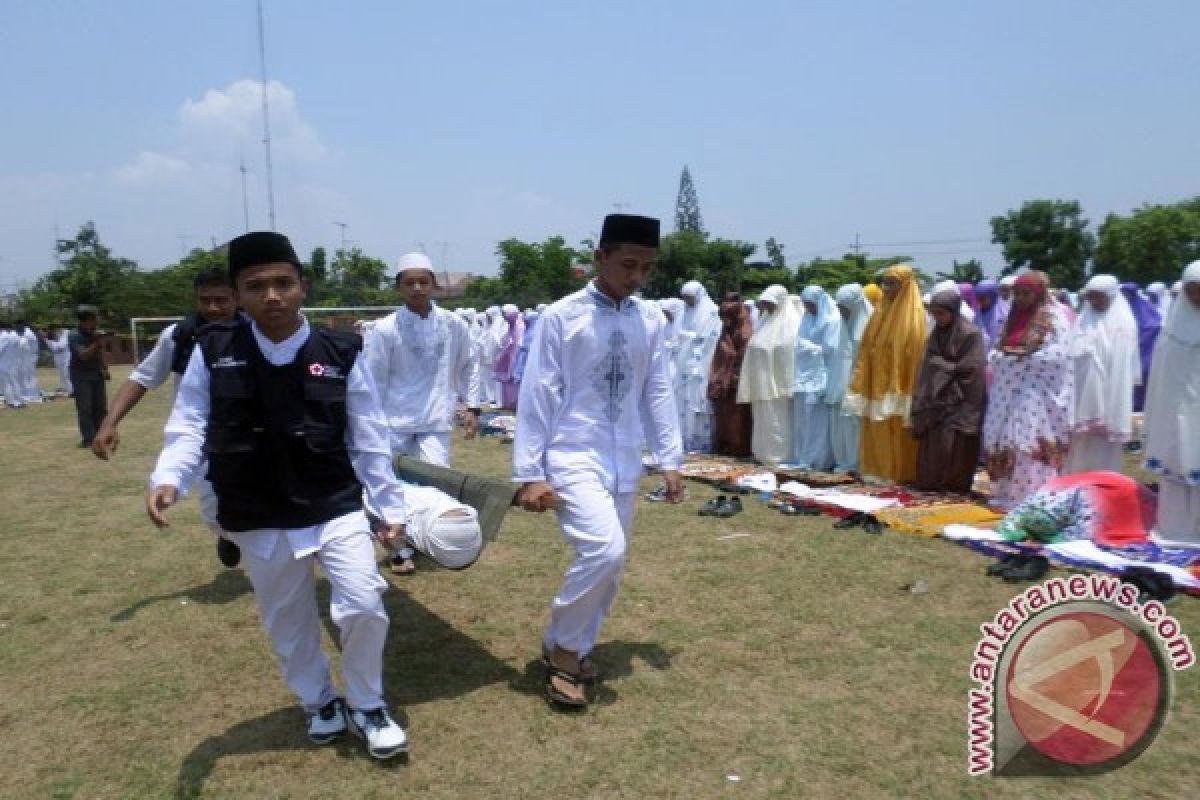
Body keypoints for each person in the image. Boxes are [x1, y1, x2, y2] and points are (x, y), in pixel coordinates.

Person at [146, 231, 409, 759]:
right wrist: (169, 476)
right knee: (287, 618)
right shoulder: (214, 351)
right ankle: (320, 703)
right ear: (239, 293)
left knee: (362, 602)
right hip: (257, 508)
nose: (272, 296)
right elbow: (192, 421)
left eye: (283, 283)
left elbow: (369, 436)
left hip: (332, 501)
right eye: (256, 286)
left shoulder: (339, 350)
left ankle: (367, 704)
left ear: (302, 286)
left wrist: (388, 507)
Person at [513, 213, 683, 709]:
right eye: (628, 264)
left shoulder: (649, 319)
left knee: (614, 563)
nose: (636, 277)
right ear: (600, 258)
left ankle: (576, 645)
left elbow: (657, 389)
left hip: (624, 457)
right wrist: (529, 473)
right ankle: (564, 649)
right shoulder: (562, 316)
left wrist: (670, 458)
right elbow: (538, 392)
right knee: (604, 550)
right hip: (571, 453)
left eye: (646, 268)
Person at [91, 268, 241, 567]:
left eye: (221, 300)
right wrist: (110, 423)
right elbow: (143, 378)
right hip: (199, 435)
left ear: (237, 298)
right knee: (214, 509)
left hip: (246, 433)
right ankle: (226, 536)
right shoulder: (180, 335)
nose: (213, 308)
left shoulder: (256, 332)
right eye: (205, 300)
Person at [364, 252, 481, 575]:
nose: (417, 288)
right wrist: (369, 423)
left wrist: (472, 406)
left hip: (435, 419)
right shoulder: (386, 328)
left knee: (434, 482)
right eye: (409, 282)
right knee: (388, 486)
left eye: (423, 281)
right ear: (399, 287)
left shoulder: (453, 324)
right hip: (393, 421)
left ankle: (423, 538)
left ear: (433, 284)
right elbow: (373, 378)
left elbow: (470, 363)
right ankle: (399, 550)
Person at [983, 271, 1073, 510]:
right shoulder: (1011, 318)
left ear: (1039, 294)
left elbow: (1059, 354)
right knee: (1003, 439)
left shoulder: (1053, 318)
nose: (1021, 298)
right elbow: (997, 348)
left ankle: (1031, 494)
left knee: (1026, 440)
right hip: (1006, 391)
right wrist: (1002, 358)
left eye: (1026, 294)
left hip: (1035, 392)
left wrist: (1024, 360)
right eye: (1017, 294)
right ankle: (1005, 492)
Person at [985, 471, 1157, 581]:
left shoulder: (1079, 502)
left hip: (1113, 490)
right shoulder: (1043, 501)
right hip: (1101, 488)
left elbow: (1079, 539)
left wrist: (1041, 540)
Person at [845, 264, 927, 484]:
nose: (887, 288)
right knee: (875, 426)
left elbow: (912, 353)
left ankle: (898, 472)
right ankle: (875, 470)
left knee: (896, 430)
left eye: (892, 283)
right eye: (885, 283)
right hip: (876, 382)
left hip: (899, 384)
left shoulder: (915, 316)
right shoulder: (880, 311)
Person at [1143, 261, 1200, 545]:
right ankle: (1174, 528)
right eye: (1192, 290)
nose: (1197, 296)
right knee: (1176, 466)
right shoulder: (1171, 332)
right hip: (1176, 414)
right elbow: (1159, 381)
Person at [911, 290, 987, 492]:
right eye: (934, 314)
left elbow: (972, 367)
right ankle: (932, 483)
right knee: (935, 443)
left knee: (955, 443)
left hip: (962, 397)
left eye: (941, 314)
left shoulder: (970, 334)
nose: (937, 318)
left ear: (953, 311)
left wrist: (944, 366)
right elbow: (928, 364)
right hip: (937, 398)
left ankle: (955, 484)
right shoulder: (936, 333)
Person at [1063, 276, 1139, 474]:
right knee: (1079, 447)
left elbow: (1121, 369)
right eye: (1091, 298)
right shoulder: (1083, 320)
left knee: (1102, 451)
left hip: (1108, 398)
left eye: (1099, 297)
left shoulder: (1122, 323)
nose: (1095, 302)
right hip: (1081, 395)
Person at [737, 285, 802, 466]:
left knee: (777, 422)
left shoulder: (791, 325)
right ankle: (762, 454)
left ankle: (780, 456)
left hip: (778, 385)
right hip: (761, 382)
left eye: (771, 303)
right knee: (762, 421)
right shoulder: (765, 322)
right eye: (765, 303)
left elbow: (788, 354)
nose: (767, 307)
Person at [790, 285, 841, 470]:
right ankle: (804, 456)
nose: (808, 309)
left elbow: (831, 349)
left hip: (823, 375)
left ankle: (819, 459)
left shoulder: (832, 320)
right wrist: (806, 347)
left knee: (818, 421)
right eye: (806, 305)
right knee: (804, 419)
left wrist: (810, 348)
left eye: (811, 305)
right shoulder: (807, 318)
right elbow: (799, 342)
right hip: (805, 375)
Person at [829, 284, 873, 473]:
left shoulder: (868, 325)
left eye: (844, 309)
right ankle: (846, 461)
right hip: (843, 383)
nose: (841, 312)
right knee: (844, 424)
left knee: (856, 424)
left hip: (860, 384)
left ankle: (858, 462)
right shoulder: (843, 325)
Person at [708, 293, 754, 457]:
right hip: (725, 379)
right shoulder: (728, 327)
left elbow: (741, 354)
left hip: (737, 378)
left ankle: (738, 449)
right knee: (724, 416)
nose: (725, 321)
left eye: (728, 317)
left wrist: (733, 372)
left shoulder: (744, 331)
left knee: (738, 418)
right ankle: (725, 446)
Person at [678, 281, 721, 453]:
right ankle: (688, 440)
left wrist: (688, 337)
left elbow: (711, 338)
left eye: (689, 298)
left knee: (700, 402)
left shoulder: (711, 313)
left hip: (702, 364)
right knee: (686, 402)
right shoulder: (686, 313)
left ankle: (703, 442)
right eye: (685, 298)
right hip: (686, 365)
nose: (687, 302)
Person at [68, 309, 111, 447]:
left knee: (101, 408)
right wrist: (97, 343)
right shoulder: (74, 335)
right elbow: (83, 356)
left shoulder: (94, 334)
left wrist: (104, 368)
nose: (96, 322)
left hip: (96, 374)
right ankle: (89, 439)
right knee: (85, 409)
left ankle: (102, 435)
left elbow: (99, 353)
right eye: (94, 319)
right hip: (81, 376)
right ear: (85, 320)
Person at [1119, 281, 1162, 413]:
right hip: (1124, 353)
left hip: (1144, 354)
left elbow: (1154, 326)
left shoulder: (1145, 308)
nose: (1126, 296)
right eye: (1123, 294)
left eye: (1128, 294)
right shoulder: (1119, 310)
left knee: (1141, 382)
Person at [494, 303, 525, 409]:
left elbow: (519, 343)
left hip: (518, 358)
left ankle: (516, 404)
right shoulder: (511, 325)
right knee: (508, 381)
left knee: (515, 381)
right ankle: (510, 404)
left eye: (506, 314)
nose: (504, 318)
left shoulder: (520, 326)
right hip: (510, 357)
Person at [973, 279, 1009, 352]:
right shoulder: (978, 314)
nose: (979, 302)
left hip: (996, 356)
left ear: (993, 296)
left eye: (982, 298)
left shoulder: (1004, 313)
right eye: (977, 298)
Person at [14, 321, 44, 404]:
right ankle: (27, 394)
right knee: (26, 376)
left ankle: (31, 395)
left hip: (29, 357)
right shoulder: (26, 334)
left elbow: (21, 345)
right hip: (27, 357)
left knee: (28, 377)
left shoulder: (28, 335)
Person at [48, 326, 72, 394]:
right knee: (61, 373)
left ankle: (71, 390)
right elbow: (53, 348)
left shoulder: (67, 333)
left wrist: (53, 343)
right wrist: (51, 343)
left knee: (67, 373)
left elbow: (61, 346)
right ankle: (64, 387)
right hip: (58, 357)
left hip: (66, 357)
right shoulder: (56, 335)